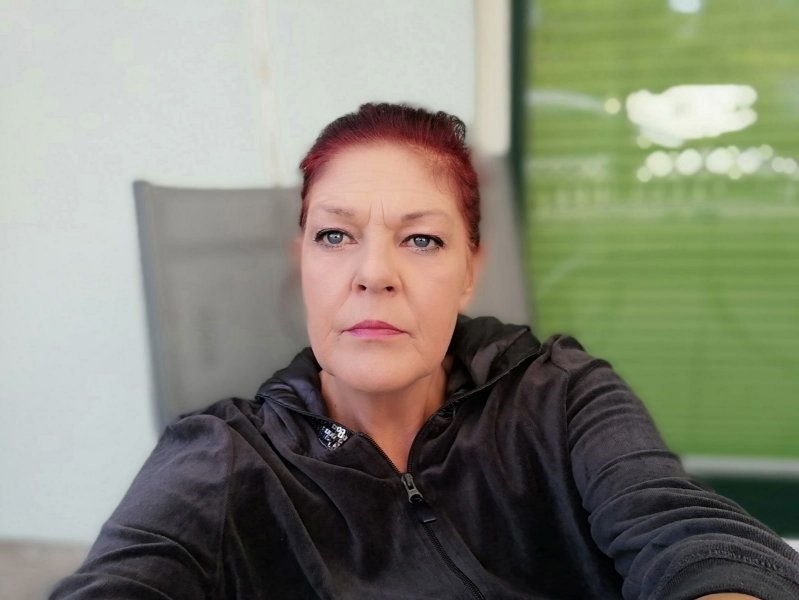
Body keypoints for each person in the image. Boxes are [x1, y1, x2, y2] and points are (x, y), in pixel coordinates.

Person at [51, 103, 799, 599]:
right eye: (334, 235)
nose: (373, 273)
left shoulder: (563, 396)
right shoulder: (219, 456)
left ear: (471, 268)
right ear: (301, 261)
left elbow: (685, 532)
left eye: (420, 239)